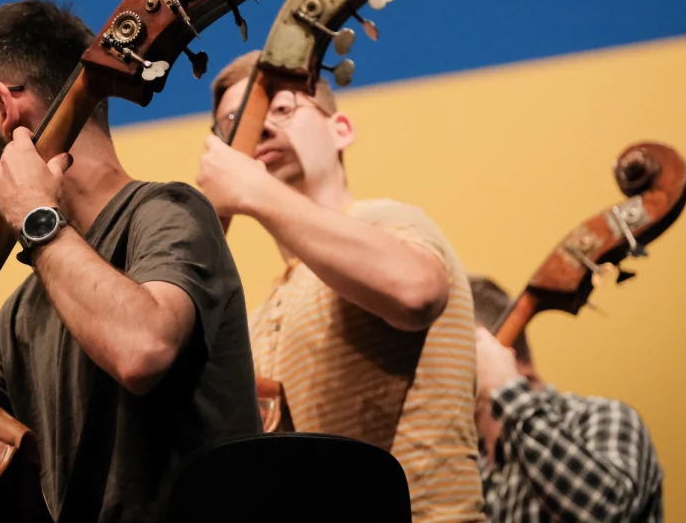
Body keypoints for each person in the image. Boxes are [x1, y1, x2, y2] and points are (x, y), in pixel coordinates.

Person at [0, 0, 261, 523]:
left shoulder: (169, 212)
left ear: (2, 107)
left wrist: (35, 219)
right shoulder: (21, 313)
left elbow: (142, 348)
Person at [195, 51, 487, 523]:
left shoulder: (388, 221)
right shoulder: (262, 310)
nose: (260, 128)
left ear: (341, 129)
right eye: (236, 123)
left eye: (283, 108)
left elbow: (416, 293)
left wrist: (255, 190)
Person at [468, 275, 664, 523]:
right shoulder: (472, 467)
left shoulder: (601, 418)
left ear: (488, 352)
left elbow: (606, 513)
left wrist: (505, 390)